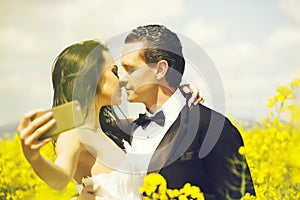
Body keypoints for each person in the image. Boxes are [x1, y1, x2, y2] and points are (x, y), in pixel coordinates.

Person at [17, 39, 202, 199]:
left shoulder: (108, 127)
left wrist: (176, 94)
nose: (122, 79)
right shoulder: (75, 134)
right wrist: (34, 158)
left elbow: (156, 116)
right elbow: (60, 179)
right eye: (114, 71)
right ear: (92, 78)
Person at [115, 25, 255, 199]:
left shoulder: (212, 128)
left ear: (160, 69)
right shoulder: (128, 131)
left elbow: (239, 196)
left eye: (130, 69)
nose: (121, 79)